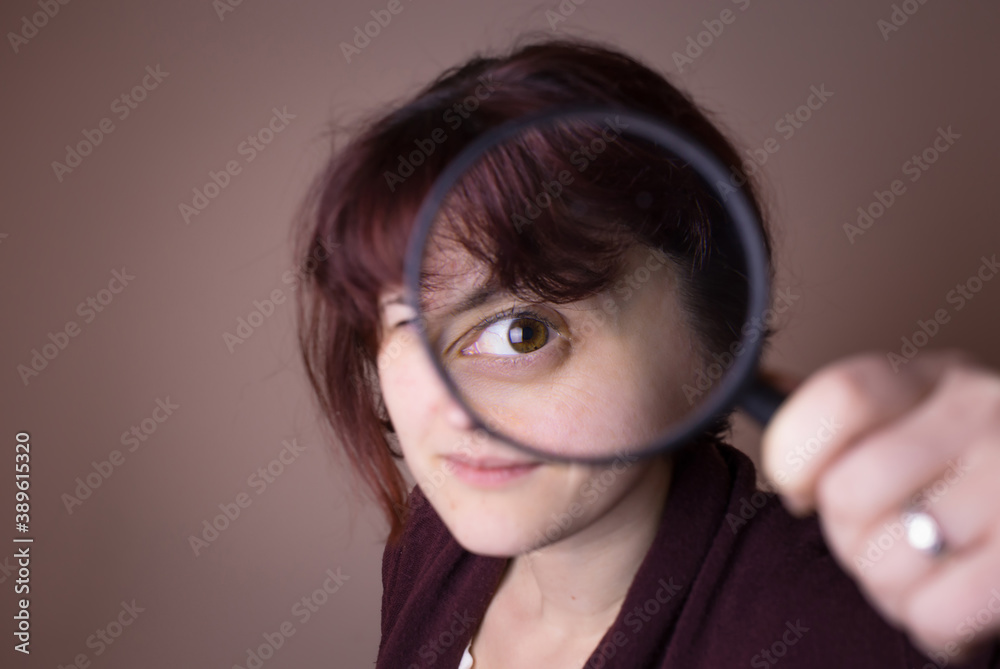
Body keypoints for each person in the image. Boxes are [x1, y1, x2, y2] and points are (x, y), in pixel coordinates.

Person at [295, 37, 1000, 668]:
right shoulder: (430, 543)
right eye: (402, 326)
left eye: (522, 331)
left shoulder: (830, 632)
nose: (446, 411)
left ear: (710, 344)